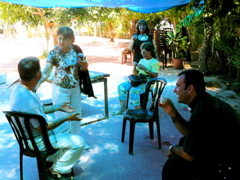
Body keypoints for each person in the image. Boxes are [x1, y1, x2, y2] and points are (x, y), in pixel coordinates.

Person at [10, 57, 85, 178]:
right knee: (79, 142)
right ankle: (56, 170)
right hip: (36, 141)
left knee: (67, 127)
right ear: (37, 75)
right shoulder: (29, 100)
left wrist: (58, 107)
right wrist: (67, 117)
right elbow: (44, 127)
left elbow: (37, 111)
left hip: (29, 136)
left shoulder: (18, 89)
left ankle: (51, 159)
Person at [159, 69, 240, 180]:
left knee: (172, 166)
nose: (174, 90)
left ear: (190, 88)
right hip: (221, 149)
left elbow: (189, 155)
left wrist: (172, 148)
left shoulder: (203, 110)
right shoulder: (203, 101)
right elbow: (190, 131)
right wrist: (172, 112)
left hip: (227, 164)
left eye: (178, 86)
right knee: (184, 142)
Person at [37, 26, 88, 146]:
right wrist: (36, 83)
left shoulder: (76, 51)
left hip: (75, 89)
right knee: (62, 118)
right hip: (60, 90)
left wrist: (85, 65)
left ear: (71, 40)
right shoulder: (54, 53)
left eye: (64, 39)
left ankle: (76, 141)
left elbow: (82, 68)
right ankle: (64, 144)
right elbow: (46, 72)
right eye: (59, 39)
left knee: (76, 116)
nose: (60, 42)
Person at [112, 42, 160, 115]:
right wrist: (134, 66)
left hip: (148, 82)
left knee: (134, 91)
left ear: (150, 51)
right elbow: (135, 73)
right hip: (139, 80)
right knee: (121, 87)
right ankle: (122, 109)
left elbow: (155, 76)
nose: (142, 54)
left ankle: (138, 111)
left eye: (144, 52)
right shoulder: (142, 60)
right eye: (141, 53)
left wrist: (145, 69)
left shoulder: (154, 62)